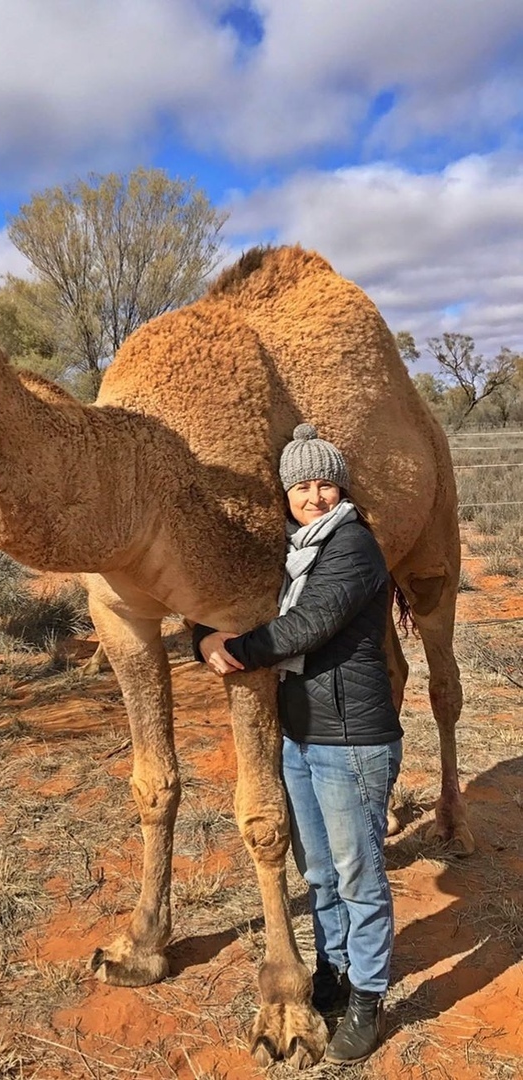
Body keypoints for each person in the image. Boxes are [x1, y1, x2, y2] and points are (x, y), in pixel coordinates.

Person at [194, 423, 403, 1065]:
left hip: (353, 741)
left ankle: (367, 1001)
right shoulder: (290, 553)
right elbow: (232, 599)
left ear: (342, 486)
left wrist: (235, 649)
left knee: (359, 875)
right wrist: (201, 633)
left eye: (325, 482)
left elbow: (308, 624)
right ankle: (334, 979)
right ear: (285, 493)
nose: (315, 496)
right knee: (319, 873)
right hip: (303, 736)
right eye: (302, 485)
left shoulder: (353, 546)